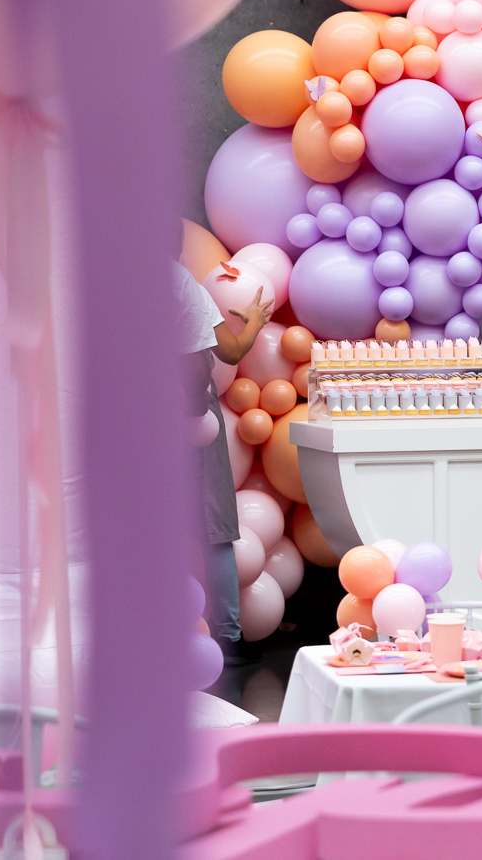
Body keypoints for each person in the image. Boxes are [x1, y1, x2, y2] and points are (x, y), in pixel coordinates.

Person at [174, 251, 270, 663]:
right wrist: (254, 323)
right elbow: (227, 352)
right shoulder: (181, 283)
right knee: (214, 522)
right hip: (189, 411)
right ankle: (228, 637)